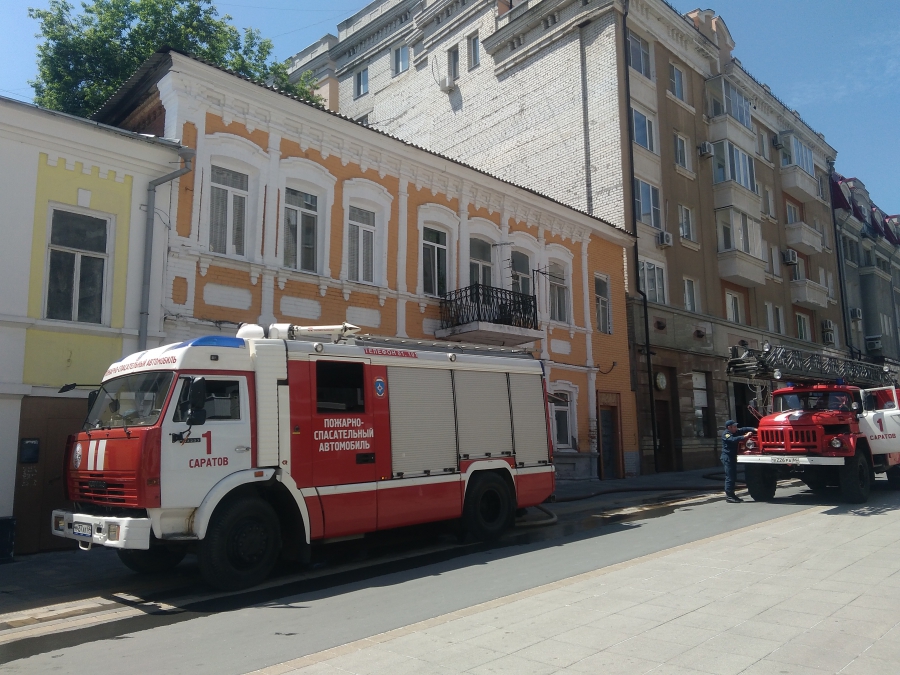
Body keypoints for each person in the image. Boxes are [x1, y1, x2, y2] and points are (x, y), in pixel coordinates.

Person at [722, 420, 755, 503]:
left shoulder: (735, 431)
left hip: (732, 457)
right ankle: (729, 496)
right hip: (727, 457)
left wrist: (754, 429)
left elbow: (744, 429)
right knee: (730, 477)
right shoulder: (726, 434)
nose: (736, 428)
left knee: (733, 476)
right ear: (729, 427)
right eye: (734, 427)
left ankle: (732, 495)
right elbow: (733, 439)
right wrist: (744, 436)